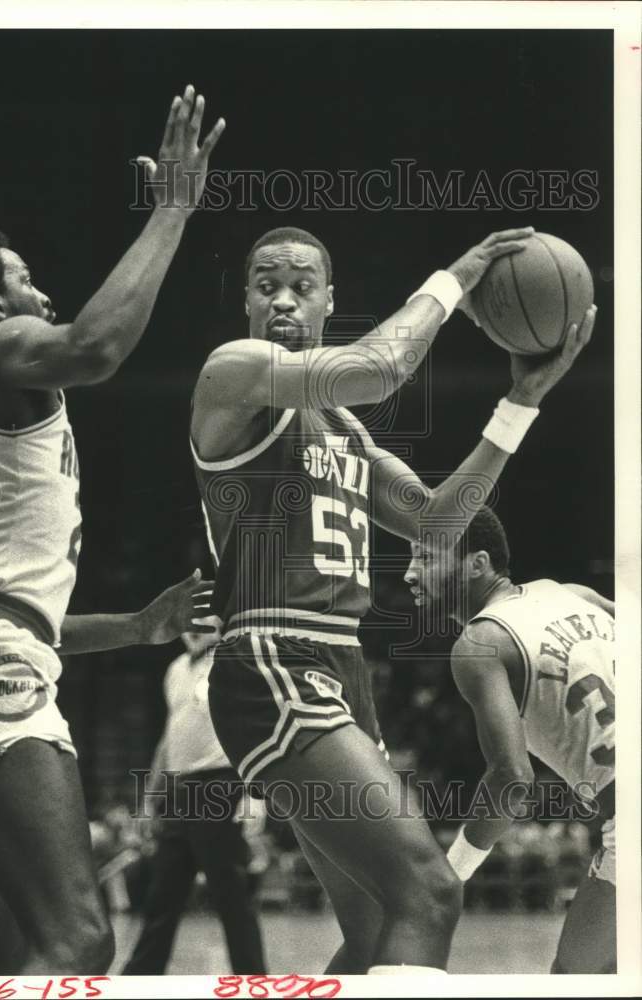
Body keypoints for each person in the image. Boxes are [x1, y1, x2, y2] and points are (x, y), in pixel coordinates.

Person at [0, 85, 224, 975]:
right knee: (81, 940)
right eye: (24, 280)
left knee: (4, 945)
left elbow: (4, 606)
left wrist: (140, 628)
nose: (44, 291)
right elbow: (100, 348)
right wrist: (174, 211)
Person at [189, 224, 595, 975]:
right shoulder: (235, 373)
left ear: (328, 301)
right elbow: (380, 367)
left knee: (380, 930)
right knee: (431, 891)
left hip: (344, 673)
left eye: (301, 286)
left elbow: (442, 523)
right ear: (244, 297)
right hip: (275, 661)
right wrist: (456, 278)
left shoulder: (346, 431)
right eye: (265, 283)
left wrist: (519, 400)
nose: (282, 298)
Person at [404, 505, 615, 974]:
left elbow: (512, 778)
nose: (408, 573)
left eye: (425, 558)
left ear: (478, 564)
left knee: (576, 979)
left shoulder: (480, 643)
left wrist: (451, 872)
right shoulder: (571, 594)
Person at [122, 626, 267, 975]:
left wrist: (254, 794)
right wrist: (149, 801)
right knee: (163, 893)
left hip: (221, 784)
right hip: (179, 788)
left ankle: (253, 979)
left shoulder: (233, 660)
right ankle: (138, 979)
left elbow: (255, 726)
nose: (194, 628)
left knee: (230, 892)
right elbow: (169, 739)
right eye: (189, 620)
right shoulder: (175, 669)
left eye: (204, 619)